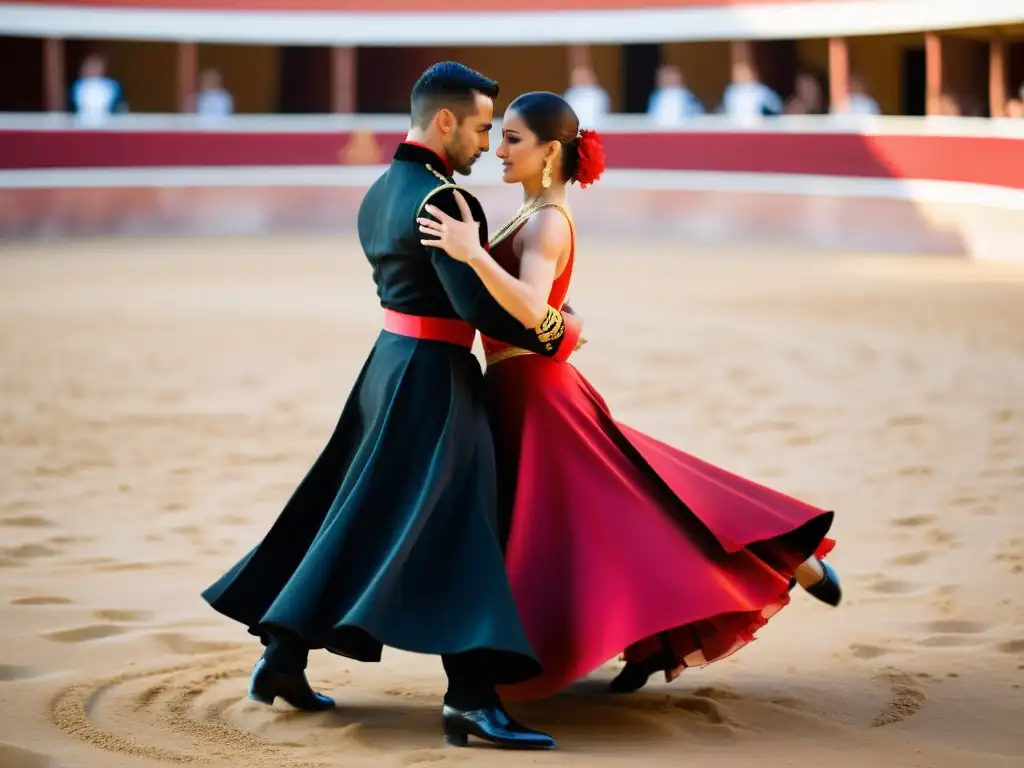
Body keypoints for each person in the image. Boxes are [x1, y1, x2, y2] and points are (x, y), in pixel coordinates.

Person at [201, 63, 585, 749]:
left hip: (385, 365)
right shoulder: (447, 202)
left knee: (354, 511)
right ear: (444, 122)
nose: (484, 143)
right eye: (476, 127)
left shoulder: (380, 191)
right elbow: (483, 313)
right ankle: (471, 698)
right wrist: (562, 326)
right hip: (434, 376)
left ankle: (282, 658)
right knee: (463, 524)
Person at [417, 91, 841, 702]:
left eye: (512, 139)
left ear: (550, 151)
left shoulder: (546, 220)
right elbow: (546, 311)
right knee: (629, 510)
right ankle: (734, 590)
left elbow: (533, 304)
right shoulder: (532, 211)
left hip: (538, 396)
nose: (498, 150)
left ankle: (783, 555)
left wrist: (472, 254)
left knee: (630, 512)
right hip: (519, 389)